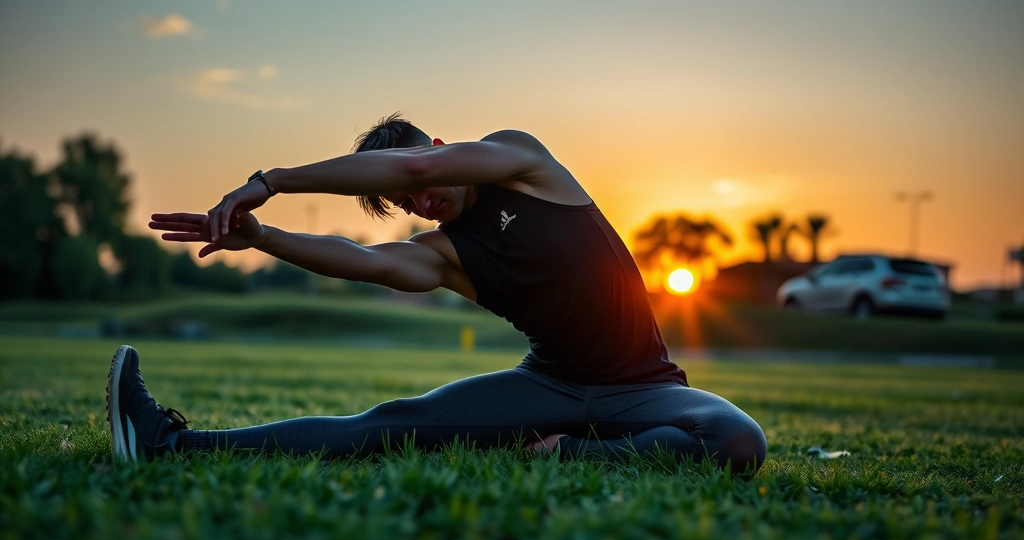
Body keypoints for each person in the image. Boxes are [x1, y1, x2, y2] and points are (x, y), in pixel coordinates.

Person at [108, 113, 768, 473]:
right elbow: (364, 262)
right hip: (548, 386)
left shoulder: (522, 161)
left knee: (737, 442)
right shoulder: (450, 255)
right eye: (403, 203)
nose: (419, 199)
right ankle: (167, 443)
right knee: (386, 426)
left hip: (646, 385)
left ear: (445, 148)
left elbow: (415, 163)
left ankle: (568, 454)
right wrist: (264, 236)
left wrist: (270, 180)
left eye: (417, 179)